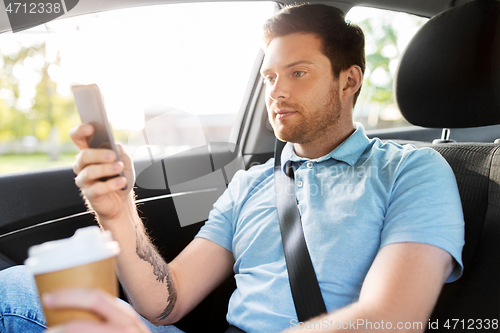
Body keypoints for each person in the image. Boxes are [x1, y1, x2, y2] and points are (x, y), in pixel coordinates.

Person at [0, 4, 464, 333]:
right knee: (21, 289)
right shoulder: (251, 184)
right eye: (269, 77)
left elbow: (389, 319)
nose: (276, 92)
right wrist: (117, 211)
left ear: (350, 80)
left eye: (298, 73)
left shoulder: (412, 171)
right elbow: (168, 302)